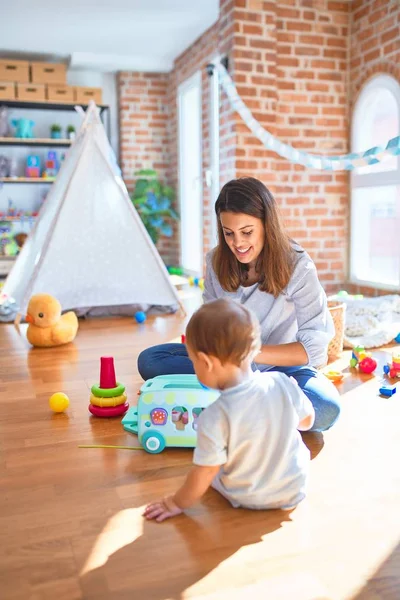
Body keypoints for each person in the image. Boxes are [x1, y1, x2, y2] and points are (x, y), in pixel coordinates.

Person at [138, 177, 340, 432]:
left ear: (267, 225)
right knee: (151, 360)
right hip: (227, 367)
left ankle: (231, 405)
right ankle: (253, 410)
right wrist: (208, 345)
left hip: (281, 371)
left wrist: (249, 352)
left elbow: (315, 351)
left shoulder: (298, 266)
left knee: (325, 409)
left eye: (247, 232)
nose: (238, 243)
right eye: (228, 233)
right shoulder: (216, 262)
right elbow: (207, 321)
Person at [143, 299, 315, 522]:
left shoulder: (213, 416)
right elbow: (307, 422)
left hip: (248, 497)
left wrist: (175, 502)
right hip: (294, 488)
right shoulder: (282, 382)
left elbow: (205, 472)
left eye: (194, 362)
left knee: (215, 467)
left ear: (206, 362)